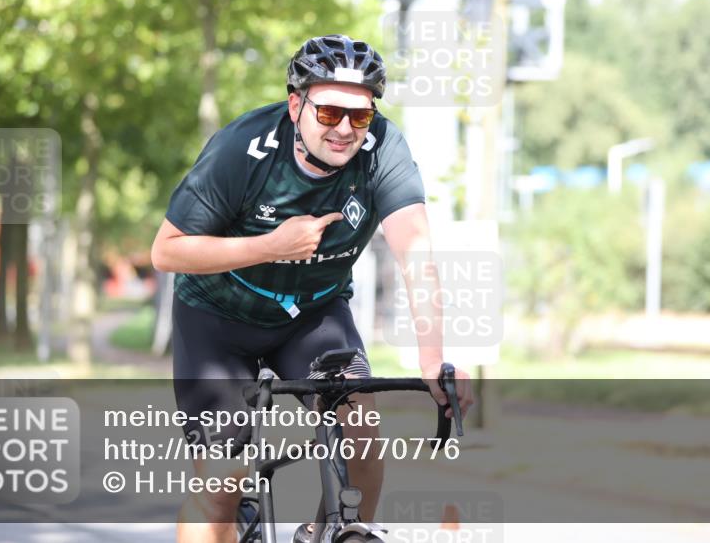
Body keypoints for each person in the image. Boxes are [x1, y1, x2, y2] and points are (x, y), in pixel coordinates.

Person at [151, 34, 474, 543]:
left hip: (313, 315)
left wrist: (433, 360)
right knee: (221, 483)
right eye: (329, 113)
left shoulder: (384, 149)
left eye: (360, 116)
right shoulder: (241, 149)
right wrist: (270, 246)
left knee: (362, 443)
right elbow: (166, 251)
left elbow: (415, 254)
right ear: (295, 105)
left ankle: (332, 533)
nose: (345, 129)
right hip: (216, 318)